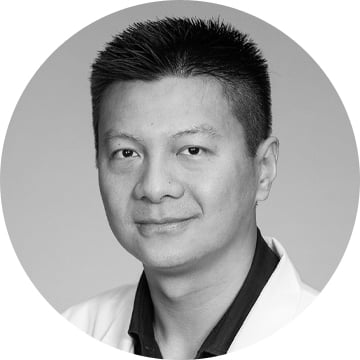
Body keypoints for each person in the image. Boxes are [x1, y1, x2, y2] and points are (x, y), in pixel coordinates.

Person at [62, 17, 317, 359]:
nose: (153, 188)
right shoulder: (66, 334)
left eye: (192, 150)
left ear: (264, 170)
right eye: (127, 153)